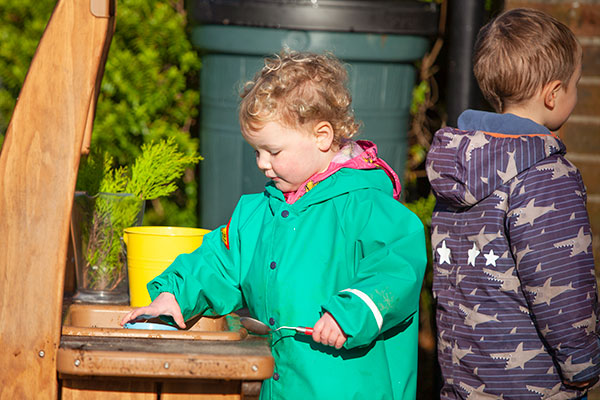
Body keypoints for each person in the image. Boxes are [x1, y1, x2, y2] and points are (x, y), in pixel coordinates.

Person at [122, 50, 427, 399]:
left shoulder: (365, 205)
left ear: (322, 136)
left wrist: (353, 311)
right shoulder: (258, 212)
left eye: (274, 152)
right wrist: (175, 295)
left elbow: (397, 265)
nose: (263, 164)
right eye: (257, 151)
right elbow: (221, 261)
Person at [426, 8, 600, 399]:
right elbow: (561, 284)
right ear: (553, 94)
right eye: (576, 83)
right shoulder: (546, 175)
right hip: (535, 384)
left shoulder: (456, 165)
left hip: (464, 378)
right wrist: (582, 363)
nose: (576, 90)